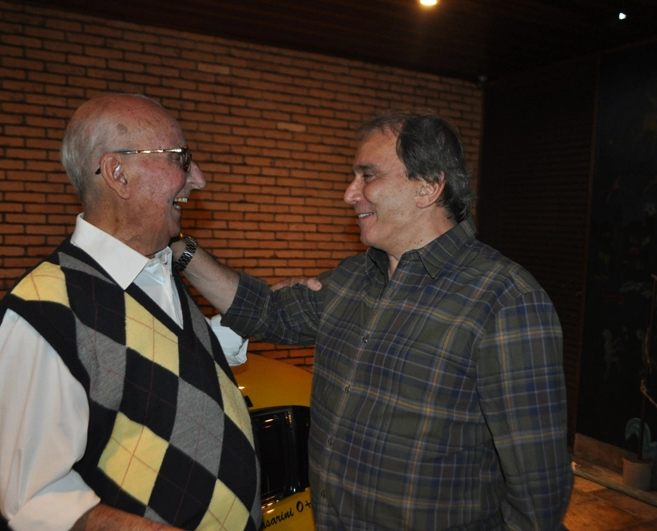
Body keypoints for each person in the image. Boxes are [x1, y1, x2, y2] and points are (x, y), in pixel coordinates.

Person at [173, 111, 573, 530]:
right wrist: (177, 246)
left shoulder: (505, 299)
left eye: (368, 176)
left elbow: (537, 489)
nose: (350, 194)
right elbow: (264, 313)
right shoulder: (352, 278)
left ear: (428, 186)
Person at [0, 94, 261, 531]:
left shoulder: (155, 272)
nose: (199, 179)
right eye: (181, 158)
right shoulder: (44, 308)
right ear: (118, 173)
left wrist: (267, 309)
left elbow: (163, 362)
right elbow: (35, 499)